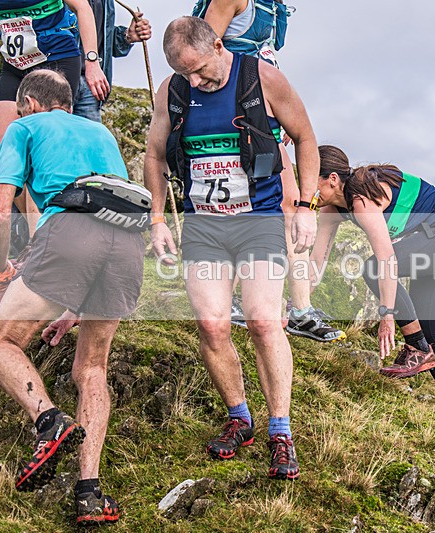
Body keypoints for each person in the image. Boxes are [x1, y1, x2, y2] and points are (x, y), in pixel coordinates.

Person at [144, 16, 319, 479]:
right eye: (185, 74)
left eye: (200, 70)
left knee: (263, 321)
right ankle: (239, 416)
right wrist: (158, 218)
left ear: (219, 46)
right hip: (203, 226)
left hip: (258, 220)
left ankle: (280, 430)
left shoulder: (262, 79)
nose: (194, 82)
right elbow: (155, 155)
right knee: (212, 324)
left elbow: (305, 137)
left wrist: (306, 205)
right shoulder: (172, 91)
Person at [0, 69, 145, 526]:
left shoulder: (24, 127)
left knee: (1, 342)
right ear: (69, 105)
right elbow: (108, 207)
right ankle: (89, 493)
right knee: (92, 368)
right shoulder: (100, 131)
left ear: (30, 104)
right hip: (128, 243)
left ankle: (49, 420)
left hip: (71, 229)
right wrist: (74, 305)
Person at [198, 0, 343, 342]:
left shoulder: (273, 7)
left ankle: (299, 309)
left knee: (288, 205)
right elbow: (200, 59)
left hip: (263, 117)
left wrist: (277, 111)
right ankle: (276, 307)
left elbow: (264, 58)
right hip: (236, 121)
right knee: (251, 206)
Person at [309, 146, 435, 410]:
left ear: (332, 179)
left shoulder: (361, 199)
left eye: (310, 182)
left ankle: (417, 348)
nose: (305, 190)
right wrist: (299, 305)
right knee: (428, 329)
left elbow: (387, 259)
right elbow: (317, 260)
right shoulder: (331, 211)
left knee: (373, 268)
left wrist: (387, 315)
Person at [0, 0, 110, 233]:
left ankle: (41, 234)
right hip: (16, 64)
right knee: (1, 154)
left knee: (42, 153)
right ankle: (35, 228)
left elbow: (83, 8)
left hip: (56, 58)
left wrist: (92, 62)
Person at [72, 0, 152, 122]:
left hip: (92, 86)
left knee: (89, 134)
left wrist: (127, 36)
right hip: (59, 79)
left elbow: (102, 38)